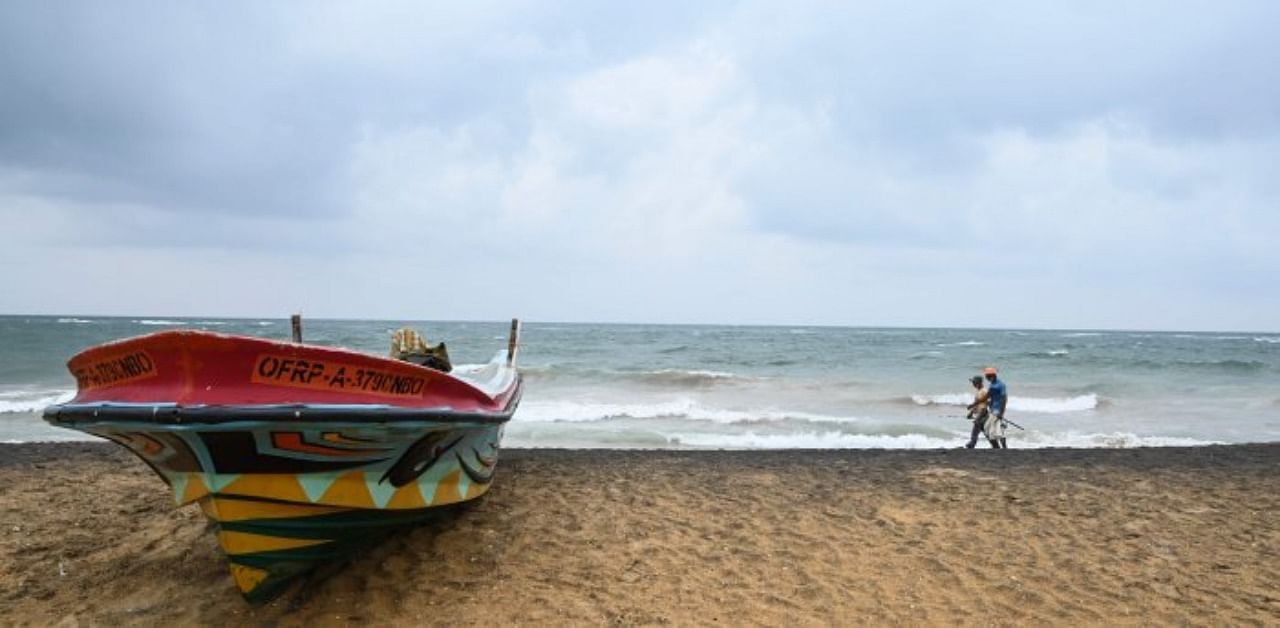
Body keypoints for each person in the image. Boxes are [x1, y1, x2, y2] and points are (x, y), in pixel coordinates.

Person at [963, 375, 995, 448]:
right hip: (981, 414)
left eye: (973, 382)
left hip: (983, 413)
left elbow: (985, 405)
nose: (973, 384)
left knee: (976, 430)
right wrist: (971, 413)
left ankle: (972, 444)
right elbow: (976, 403)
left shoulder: (984, 391)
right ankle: (994, 445)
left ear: (978, 383)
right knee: (985, 431)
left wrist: (979, 416)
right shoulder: (979, 391)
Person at [984, 366, 1008, 448]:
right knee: (993, 429)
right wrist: (989, 403)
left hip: (997, 411)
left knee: (990, 431)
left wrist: (1001, 412)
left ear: (992, 376)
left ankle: (997, 447)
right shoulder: (992, 384)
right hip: (993, 410)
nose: (986, 378)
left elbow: (1004, 399)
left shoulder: (1000, 385)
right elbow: (992, 397)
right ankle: (1002, 447)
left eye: (987, 376)